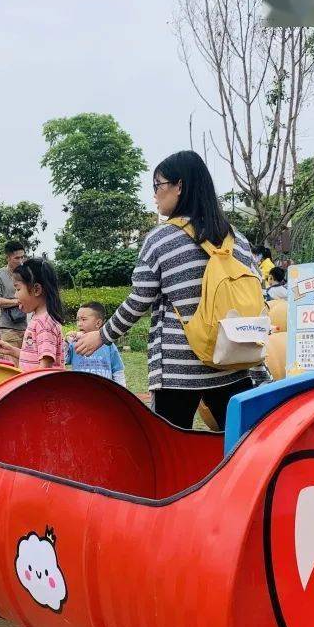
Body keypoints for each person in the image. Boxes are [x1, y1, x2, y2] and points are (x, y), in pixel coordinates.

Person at [71, 150, 259, 430]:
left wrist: (103, 335)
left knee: (169, 452)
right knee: (238, 450)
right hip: (233, 361)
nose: (155, 195)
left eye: (158, 186)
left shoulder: (161, 239)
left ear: (179, 186)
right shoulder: (237, 239)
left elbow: (139, 300)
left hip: (178, 370)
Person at [0, 257, 64, 371]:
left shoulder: (45, 324)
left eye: (18, 289)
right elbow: (34, 358)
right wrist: (11, 350)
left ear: (36, 290)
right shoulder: (38, 319)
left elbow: (45, 367)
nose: (15, 295)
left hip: (41, 388)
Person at [64, 302, 126, 386]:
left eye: (83, 319)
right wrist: (66, 342)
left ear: (98, 323)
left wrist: (121, 390)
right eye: (77, 320)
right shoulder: (75, 343)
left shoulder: (108, 344)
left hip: (104, 391)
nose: (79, 323)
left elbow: (117, 370)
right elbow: (63, 359)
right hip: (80, 390)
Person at [0, 241, 28, 350]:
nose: (20, 261)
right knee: (12, 366)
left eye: (22, 257)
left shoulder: (28, 275)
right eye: (16, 258)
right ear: (8, 258)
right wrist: (17, 301)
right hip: (8, 328)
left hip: (29, 328)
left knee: (29, 365)